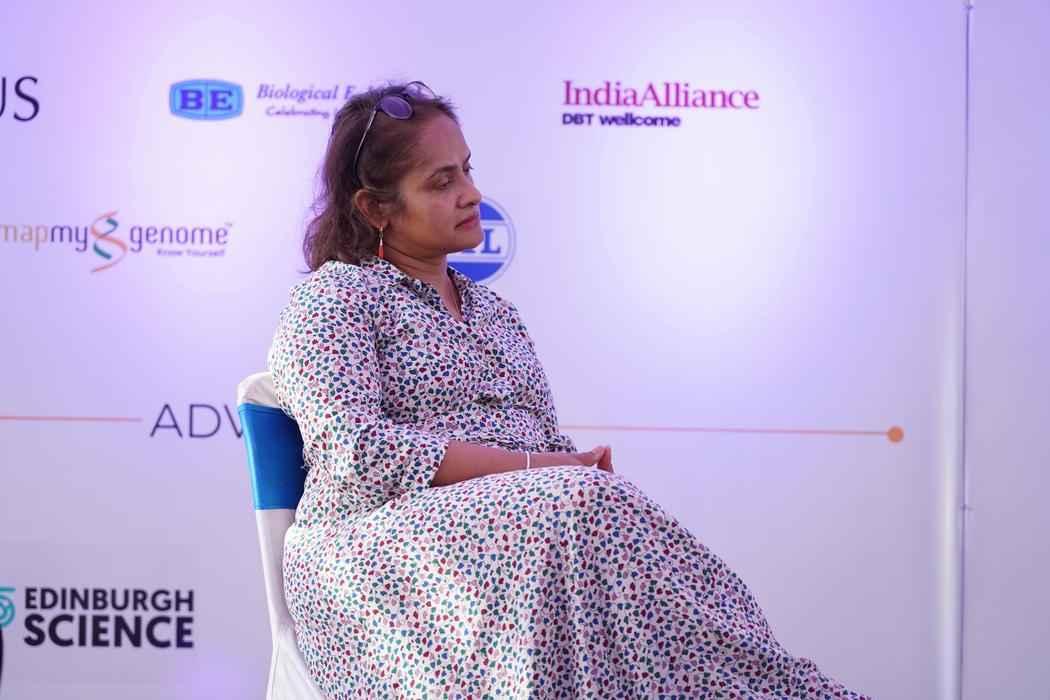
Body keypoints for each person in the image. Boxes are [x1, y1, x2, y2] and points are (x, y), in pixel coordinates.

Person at [267, 80, 870, 699]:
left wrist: (557, 470)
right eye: (442, 182)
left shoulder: (496, 313)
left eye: (467, 170)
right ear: (375, 209)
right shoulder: (334, 298)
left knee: (617, 540)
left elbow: (544, 442)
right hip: (375, 553)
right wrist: (540, 472)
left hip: (530, 528)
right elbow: (358, 452)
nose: (472, 194)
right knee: (578, 510)